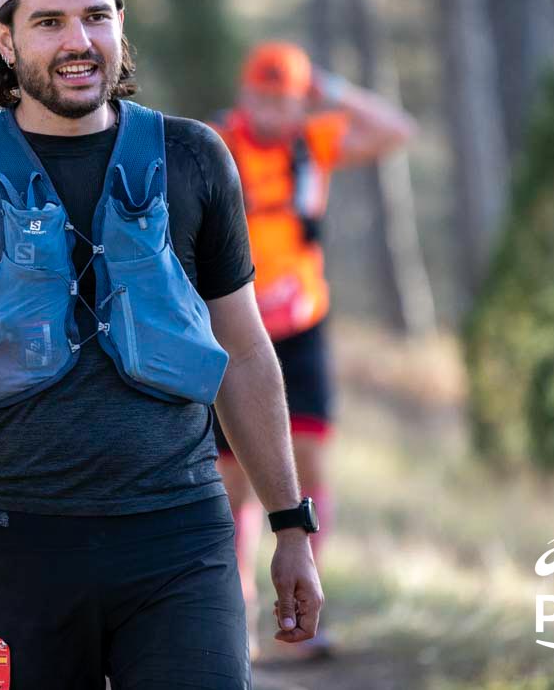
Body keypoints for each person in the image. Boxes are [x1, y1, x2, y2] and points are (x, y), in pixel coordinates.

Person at [0, 0, 324, 689]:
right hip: (17, 549)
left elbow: (243, 350)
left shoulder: (195, 158)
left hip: (182, 546)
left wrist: (289, 524)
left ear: (119, 25)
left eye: (96, 16)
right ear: (5, 39)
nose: (79, 41)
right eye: (49, 21)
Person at [211, 40, 415, 659]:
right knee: (231, 478)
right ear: (244, 96)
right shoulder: (218, 145)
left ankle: (301, 616)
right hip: (233, 328)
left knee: (309, 465)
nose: (272, 111)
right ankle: (234, 621)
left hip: (302, 327)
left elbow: (396, 131)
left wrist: (332, 88)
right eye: (262, 98)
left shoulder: (313, 142)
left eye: (285, 100)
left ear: (303, 102)